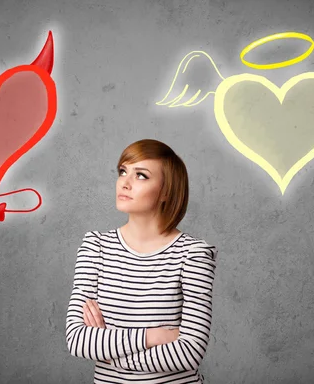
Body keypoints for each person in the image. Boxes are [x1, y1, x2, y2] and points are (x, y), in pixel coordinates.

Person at [65, 139, 218, 383]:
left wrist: (108, 352)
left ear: (166, 191)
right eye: (123, 171)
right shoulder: (95, 247)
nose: (124, 183)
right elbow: (77, 340)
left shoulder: (193, 255)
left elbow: (190, 352)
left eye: (141, 176)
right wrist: (152, 337)